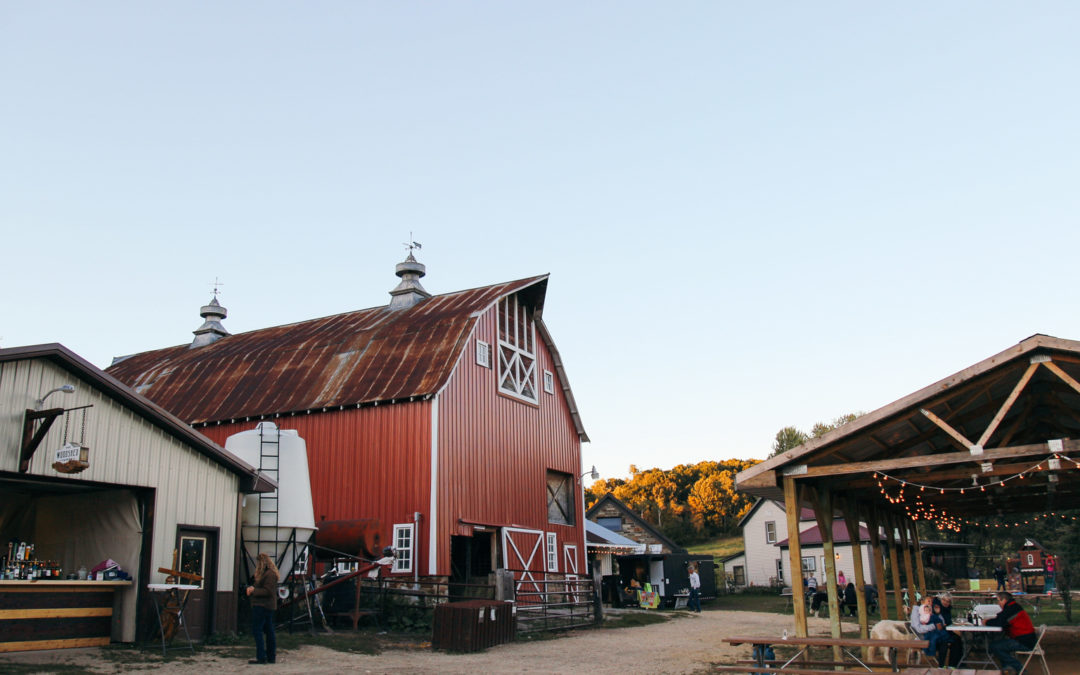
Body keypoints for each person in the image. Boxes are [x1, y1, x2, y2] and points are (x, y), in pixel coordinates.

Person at [985, 591, 1036, 675]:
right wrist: (990, 621)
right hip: (1026, 638)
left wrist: (986, 622)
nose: (998, 604)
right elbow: (1001, 618)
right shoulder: (1013, 607)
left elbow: (999, 622)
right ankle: (1007, 669)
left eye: (999, 601)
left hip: (1024, 641)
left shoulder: (1011, 609)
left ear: (1004, 600)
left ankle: (1020, 669)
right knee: (1000, 642)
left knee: (995, 646)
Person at [246, 552, 279, 665]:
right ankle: (270, 656)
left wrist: (253, 591)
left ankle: (261, 657)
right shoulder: (270, 574)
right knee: (269, 631)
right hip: (267, 606)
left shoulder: (269, 575)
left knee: (257, 631)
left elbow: (268, 591)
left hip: (262, 606)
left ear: (262, 563)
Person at [932, 594, 963, 667]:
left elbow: (948, 622)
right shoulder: (937, 608)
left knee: (957, 639)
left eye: (948, 601)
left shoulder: (947, 609)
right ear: (941, 600)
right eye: (944, 600)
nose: (946, 602)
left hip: (946, 631)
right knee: (948, 640)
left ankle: (954, 664)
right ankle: (944, 665)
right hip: (936, 633)